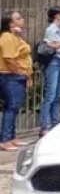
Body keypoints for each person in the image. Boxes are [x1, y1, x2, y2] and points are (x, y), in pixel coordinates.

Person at [0, 10, 32, 151]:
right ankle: (5, 139)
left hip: (17, 76)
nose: (22, 20)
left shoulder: (14, 37)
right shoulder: (7, 37)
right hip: (11, 76)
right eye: (19, 18)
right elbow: (9, 59)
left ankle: (11, 137)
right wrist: (20, 73)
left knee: (15, 107)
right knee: (12, 107)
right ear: (11, 23)